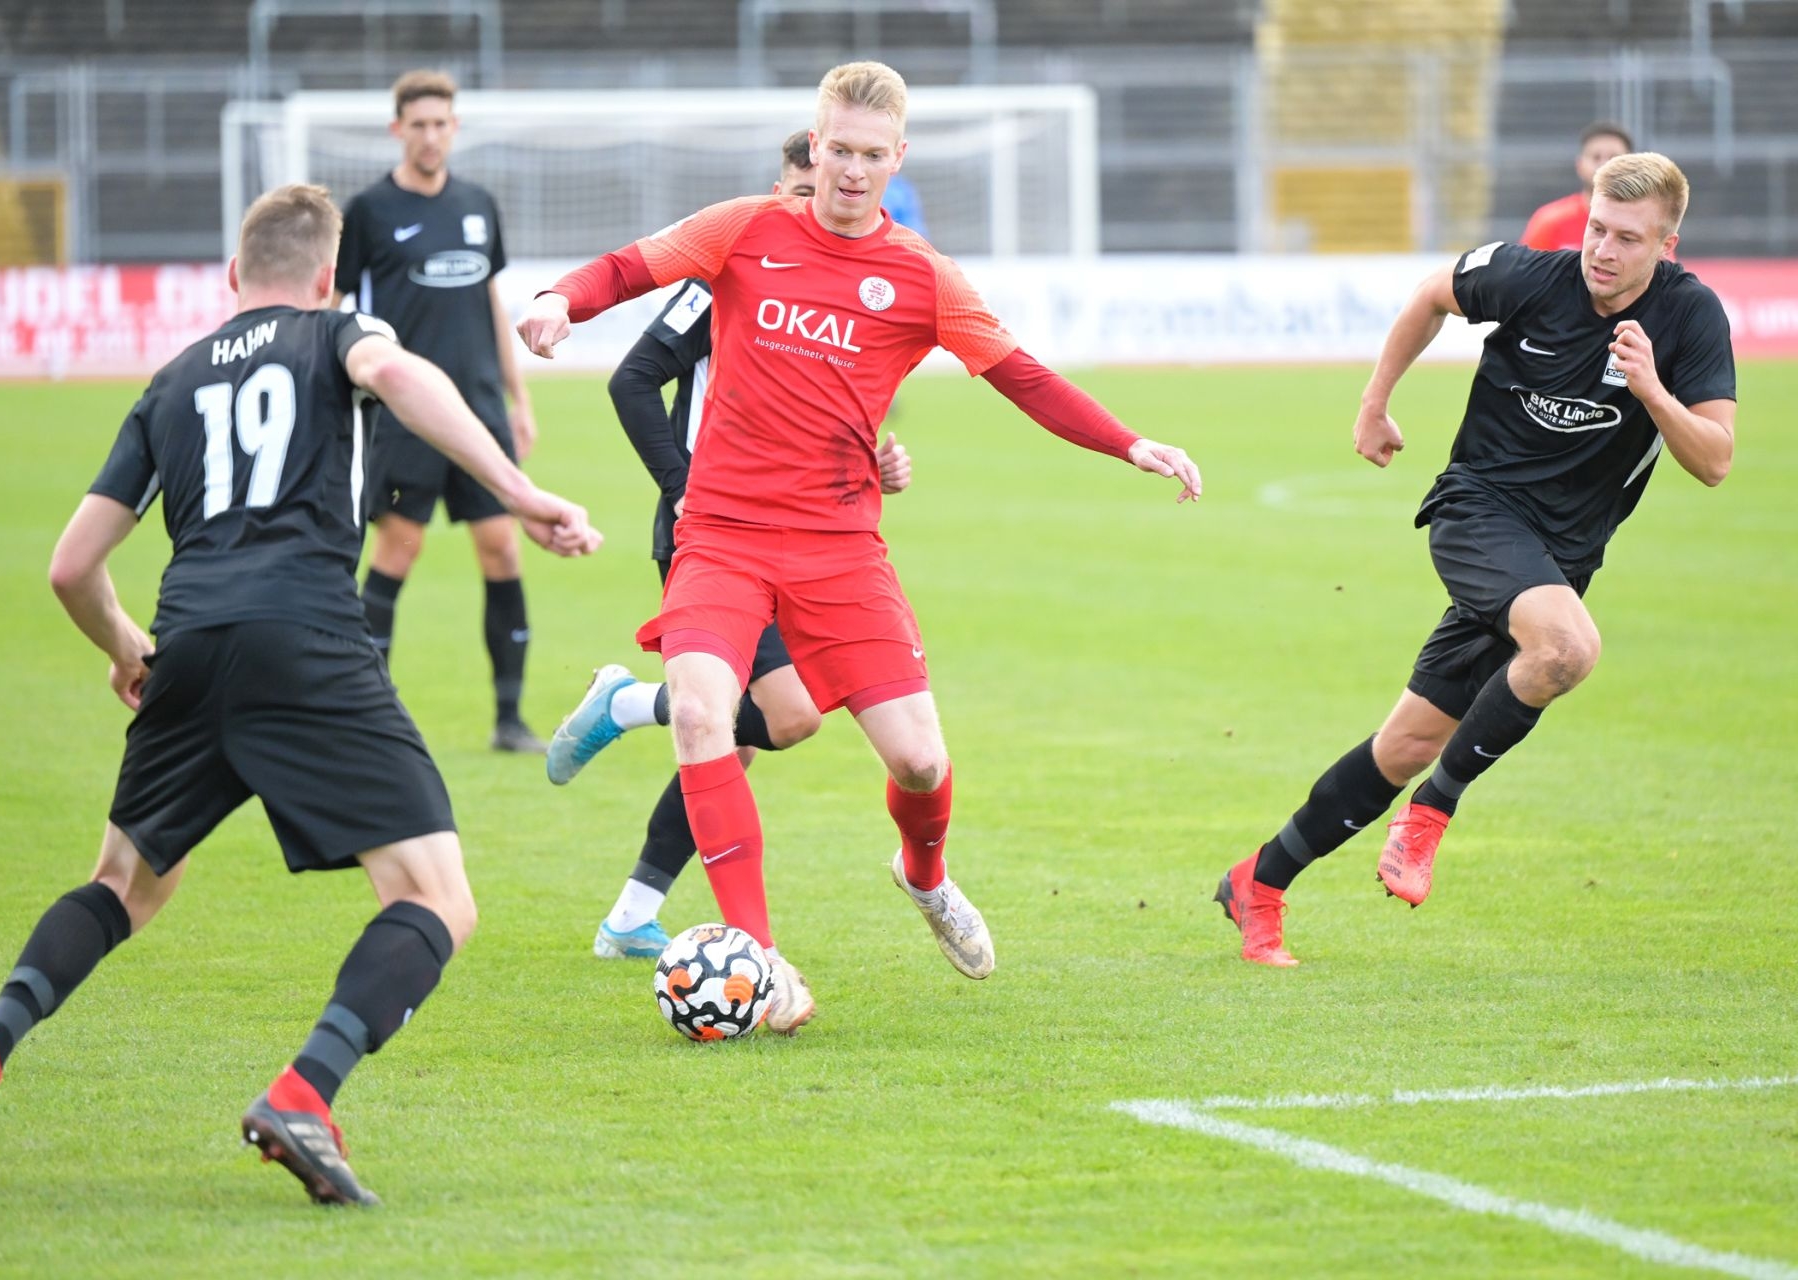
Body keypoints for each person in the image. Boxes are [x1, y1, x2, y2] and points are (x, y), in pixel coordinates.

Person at [0, 184, 601, 1205]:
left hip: (187, 640)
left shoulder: (171, 380)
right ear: (326, 278)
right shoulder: (339, 330)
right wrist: (522, 491)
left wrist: (129, 647)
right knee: (435, 897)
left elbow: (70, 568)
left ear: (233, 278)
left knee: (125, 883)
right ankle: (304, 1091)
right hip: (307, 633)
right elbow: (399, 372)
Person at [518, 61, 1201, 1032]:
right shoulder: (746, 227)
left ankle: (924, 875)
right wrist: (559, 299)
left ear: (898, 159)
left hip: (839, 546)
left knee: (920, 761)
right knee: (707, 718)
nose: (850, 170)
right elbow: (627, 267)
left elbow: (1021, 375)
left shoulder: (921, 274)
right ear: (816, 142)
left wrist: (1129, 440)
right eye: (837, 150)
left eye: (870, 156)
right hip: (721, 534)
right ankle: (758, 956)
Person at [1217, 153, 1735, 967]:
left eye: (1627, 239)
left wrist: (1654, 391)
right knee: (1568, 649)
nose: (1602, 249)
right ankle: (1432, 816)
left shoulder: (1690, 318)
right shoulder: (1528, 276)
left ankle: (1260, 880)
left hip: (1556, 561)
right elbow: (1431, 295)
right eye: (1597, 227)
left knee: (1406, 744)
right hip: (1476, 512)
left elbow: (1715, 460)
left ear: (1667, 244)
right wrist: (1374, 402)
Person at [541, 131, 912, 961]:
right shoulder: (729, 276)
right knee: (750, 725)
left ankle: (627, 724)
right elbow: (632, 378)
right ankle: (634, 908)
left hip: (796, 533)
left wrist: (877, 461)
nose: (808, 201)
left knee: (768, 726)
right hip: (715, 535)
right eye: (797, 185)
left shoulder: (831, 287)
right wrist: (684, 490)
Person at [334, 69, 547, 752]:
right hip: (406, 413)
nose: (430, 135)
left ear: (454, 128)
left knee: (501, 546)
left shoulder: (478, 203)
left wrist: (519, 398)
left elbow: (490, 299)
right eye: (418, 124)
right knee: (400, 547)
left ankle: (509, 720)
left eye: (441, 123)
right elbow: (339, 309)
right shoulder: (368, 211)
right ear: (398, 130)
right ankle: (367, 718)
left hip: (481, 409)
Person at [1522, 122, 1633, 252]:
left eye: (1614, 158)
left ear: (1631, 166)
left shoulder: (1643, 222)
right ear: (1579, 165)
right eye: (1596, 157)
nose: (1605, 165)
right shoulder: (1550, 221)